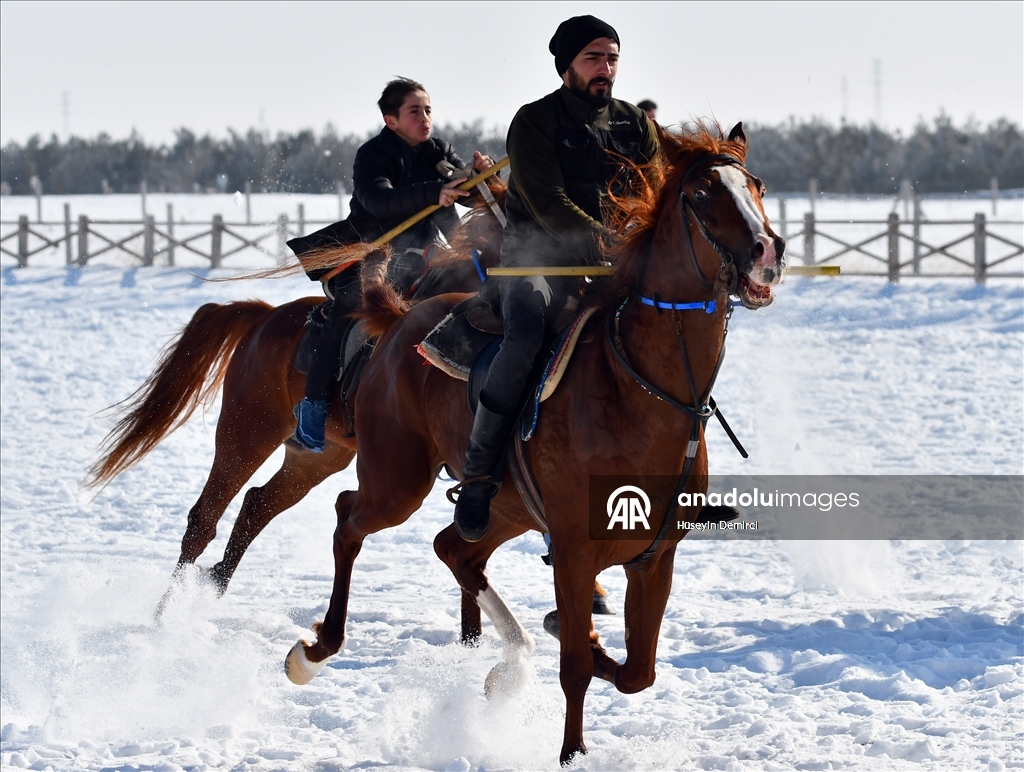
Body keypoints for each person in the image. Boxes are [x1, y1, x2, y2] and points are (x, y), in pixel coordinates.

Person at [452, 15, 660, 541]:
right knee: (524, 339)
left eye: (612, 58)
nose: (605, 69)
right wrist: (611, 243)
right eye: (594, 58)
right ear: (566, 64)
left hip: (615, 271)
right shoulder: (534, 121)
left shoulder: (635, 124)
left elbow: (655, 194)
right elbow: (549, 204)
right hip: (537, 264)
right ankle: (479, 475)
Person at [289, 78, 494, 452]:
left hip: (424, 258)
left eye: (428, 110)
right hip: (368, 255)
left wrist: (484, 176)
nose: (425, 118)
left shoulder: (438, 150)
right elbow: (379, 200)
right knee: (350, 310)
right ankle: (313, 408)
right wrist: (435, 193)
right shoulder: (372, 155)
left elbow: (464, 188)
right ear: (391, 120)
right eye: (414, 111)